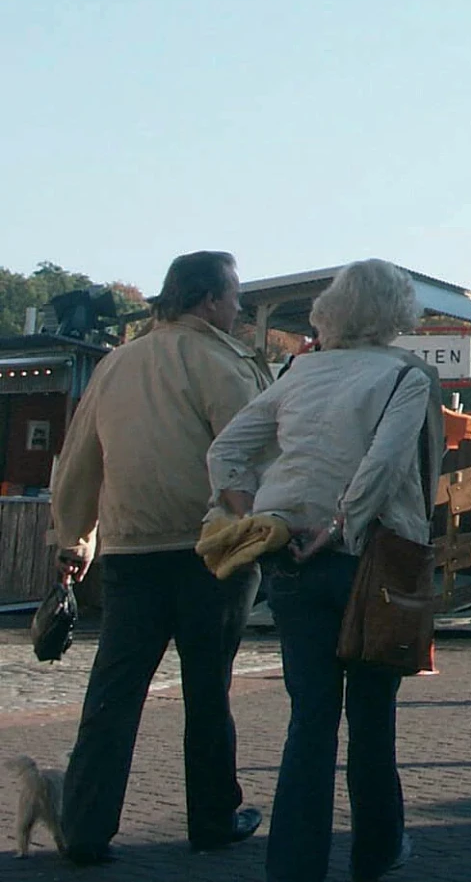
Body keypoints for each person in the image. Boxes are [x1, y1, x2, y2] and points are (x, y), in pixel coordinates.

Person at [206, 259, 446, 882]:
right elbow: (386, 463)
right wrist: (342, 525)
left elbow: (226, 450)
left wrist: (255, 514)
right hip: (370, 558)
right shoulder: (406, 376)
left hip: (288, 553)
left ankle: (293, 865)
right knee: (372, 718)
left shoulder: (298, 370)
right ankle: (377, 849)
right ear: (396, 313)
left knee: (309, 720)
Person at [49, 249, 271, 864]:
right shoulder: (224, 364)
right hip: (211, 549)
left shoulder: (116, 365)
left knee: (113, 692)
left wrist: (75, 538)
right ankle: (212, 817)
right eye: (234, 297)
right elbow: (254, 452)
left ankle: (85, 824)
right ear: (210, 300)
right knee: (208, 691)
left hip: (130, 550)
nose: (237, 308)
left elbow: (79, 460)